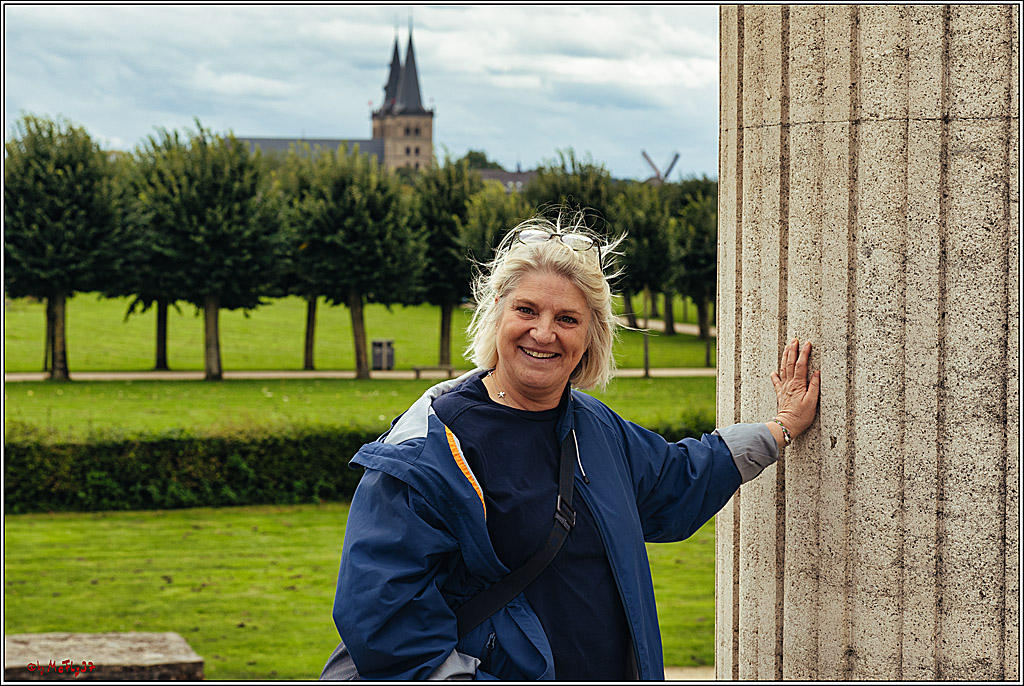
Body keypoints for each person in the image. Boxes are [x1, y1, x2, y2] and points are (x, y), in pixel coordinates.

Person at [328, 211, 820, 680]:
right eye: (526, 310)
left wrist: (780, 428)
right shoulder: (428, 450)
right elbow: (384, 622)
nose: (543, 333)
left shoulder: (593, 425)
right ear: (497, 312)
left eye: (567, 318)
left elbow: (679, 477)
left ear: (590, 336)